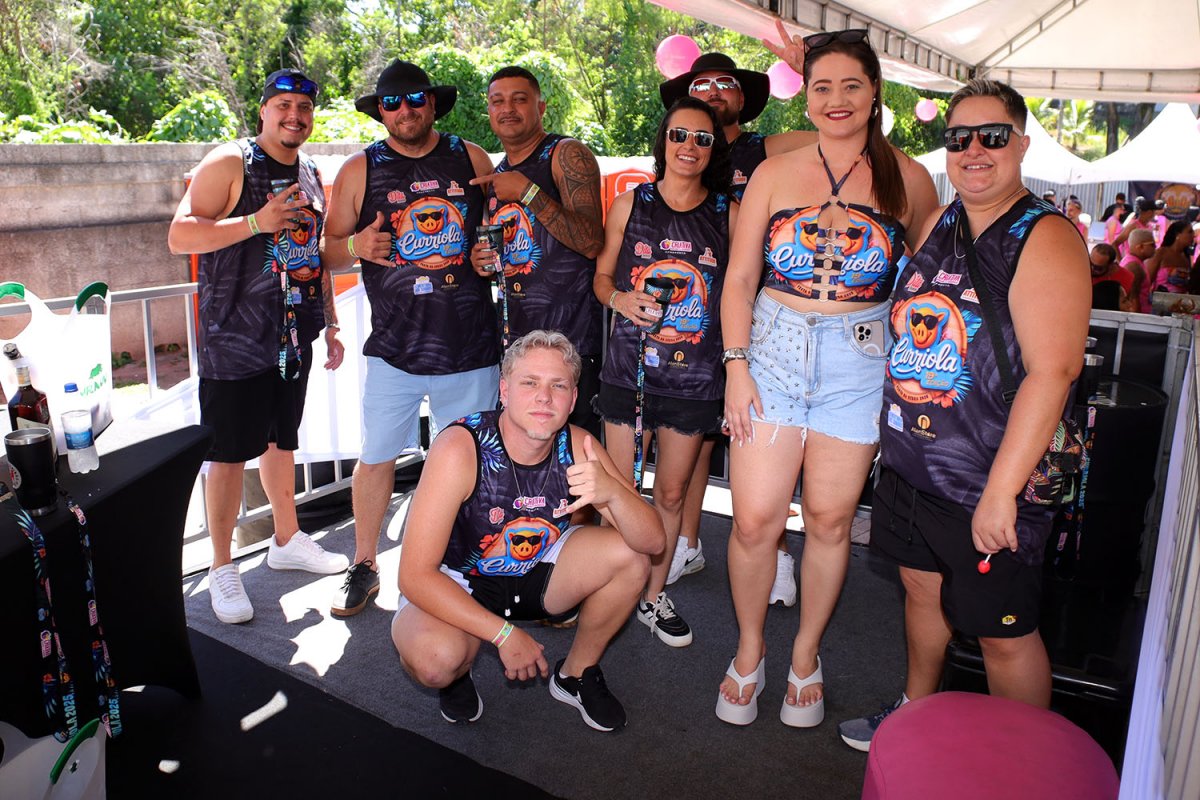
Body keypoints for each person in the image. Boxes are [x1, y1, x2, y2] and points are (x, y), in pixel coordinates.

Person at [838, 78, 1090, 752]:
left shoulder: (1044, 236)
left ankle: (1022, 763)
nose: (974, 149)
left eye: (992, 136)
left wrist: (1002, 493)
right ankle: (914, 713)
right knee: (921, 592)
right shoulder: (941, 223)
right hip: (913, 469)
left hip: (989, 481)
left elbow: (1054, 372)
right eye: (959, 138)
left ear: (1022, 144)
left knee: (1002, 634)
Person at [717, 27, 937, 727]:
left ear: (875, 92)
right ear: (805, 98)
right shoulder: (774, 172)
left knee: (830, 520)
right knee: (754, 520)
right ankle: (749, 650)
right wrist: (735, 368)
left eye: (851, 85)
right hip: (770, 352)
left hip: (860, 362)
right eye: (822, 87)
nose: (836, 99)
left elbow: (932, 281)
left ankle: (806, 656)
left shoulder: (911, 178)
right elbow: (739, 278)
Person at [390, 330, 664, 731]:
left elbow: (654, 542)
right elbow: (414, 576)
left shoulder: (580, 445)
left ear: (573, 399)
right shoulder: (460, 447)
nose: (544, 397)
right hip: (461, 580)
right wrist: (504, 635)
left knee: (631, 555)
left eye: (558, 386)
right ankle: (458, 673)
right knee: (435, 661)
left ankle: (576, 674)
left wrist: (612, 494)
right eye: (530, 383)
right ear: (504, 390)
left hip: (541, 570)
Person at [168, 69, 349, 624]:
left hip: (293, 336)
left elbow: (313, 251)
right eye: (283, 105)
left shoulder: (312, 171)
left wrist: (331, 321)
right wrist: (254, 222)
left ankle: (286, 539)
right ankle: (222, 565)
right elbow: (180, 235)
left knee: (280, 440)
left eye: (304, 107)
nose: (294, 115)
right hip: (235, 339)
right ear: (264, 110)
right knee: (227, 454)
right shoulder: (231, 162)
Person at [323, 60, 500, 617]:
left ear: (433, 103)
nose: (406, 109)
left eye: (416, 98)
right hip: (395, 350)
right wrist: (356, 248)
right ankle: (364, 563)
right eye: (393, 101)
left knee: (471, 464)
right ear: (380, 111)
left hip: (469, 348)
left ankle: (464, 564)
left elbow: (496, 231)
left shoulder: (471, 157)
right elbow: (327, 250)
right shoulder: (359, 168)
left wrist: (488, 256)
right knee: (376, 458)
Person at [658, 35, 819, 602]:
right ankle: (687, 544)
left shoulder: (767, 149)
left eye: (725, 83)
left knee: (767, 438)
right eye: (700, 83)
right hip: (698, 317)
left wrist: (816, 72)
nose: (713, 91)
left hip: (763, 318)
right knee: (697, 441)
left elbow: (840, 131)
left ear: (743, 98)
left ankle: (778, 554)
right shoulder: (684, 153)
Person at [592, 96, 737, 649]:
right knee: (621, 489)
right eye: (679, 135)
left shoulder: (728, 212)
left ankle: (653, 595)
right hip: (628, 372)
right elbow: (601, 277)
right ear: (663, 141)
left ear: (713, 150)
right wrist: (621, 300)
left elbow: (743, 289)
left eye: (703, 138)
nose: (689, 147)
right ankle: (611, 587)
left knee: (671, 494)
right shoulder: (631, 203)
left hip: (694, 380)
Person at [468, 66, 605, 436]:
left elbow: (592, 241)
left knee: (576, 452)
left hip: (571, 342)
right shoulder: (497, 175)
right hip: (518, 344)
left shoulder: (566, 153)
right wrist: (483, 262)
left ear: (541, 107)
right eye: (498, 101)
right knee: (527, 451)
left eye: (519, 99)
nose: (507, 108)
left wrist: (529, 192)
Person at [1147, 220, 1196, 295]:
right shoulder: (1161, 253)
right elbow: (1148, 280)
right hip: (1159, 300)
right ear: (1178, 234)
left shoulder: (1185, 258)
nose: (1193, 235)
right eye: (1189, 232)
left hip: (1179, 300)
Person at [1120, 228, 1156, 313]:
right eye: (1152, 245)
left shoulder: (1136, 262)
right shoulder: (1134, 266)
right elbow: (1133, 299)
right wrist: (1138, 319)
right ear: (1141, 247)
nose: (1155, 248)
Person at [1088, 242, 1131, 311]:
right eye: (1089, 263)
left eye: (1098, 268)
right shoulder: (1082, 271)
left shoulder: (1126, 278)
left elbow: (1128, 305)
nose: (1091, 268)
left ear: (1111, 266)